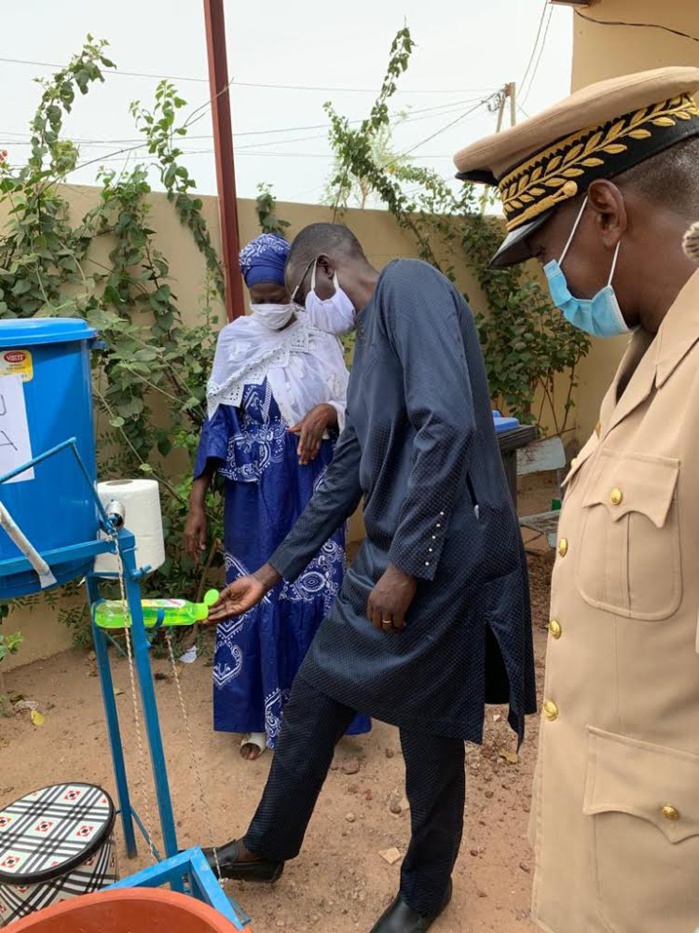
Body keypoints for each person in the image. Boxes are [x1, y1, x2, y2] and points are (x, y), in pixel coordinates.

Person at [203, 223, 536, 932]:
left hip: (446, 556)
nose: (296, 312)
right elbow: (348, 469)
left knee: (428, 727)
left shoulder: (408, 285)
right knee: (316, 694)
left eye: (297, 294)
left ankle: (423, 888)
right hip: (394, 554)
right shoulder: (371, 345)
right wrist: (268, 571)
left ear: (325, 268)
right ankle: (267, 846)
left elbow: (446, 426)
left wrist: (407, 567)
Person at [453, 66, 699, 933]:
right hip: (616, 873)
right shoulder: (649, 358)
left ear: (604, 212)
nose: (553, 283)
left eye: (548, 250)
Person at [185, 232, 370, 761]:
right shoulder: (235, 341)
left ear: (295, 287)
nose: (270, 307)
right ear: (248, 294)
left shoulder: (322, 337)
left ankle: (322, 724)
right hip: (250, 493)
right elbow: (218, 424)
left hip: (314, 485)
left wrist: (330, 411)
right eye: (259, 297)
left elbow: (355, 400)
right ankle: (257, 722)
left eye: (278, 295)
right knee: (251, 595)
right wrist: (198, 504)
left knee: (318, 594)